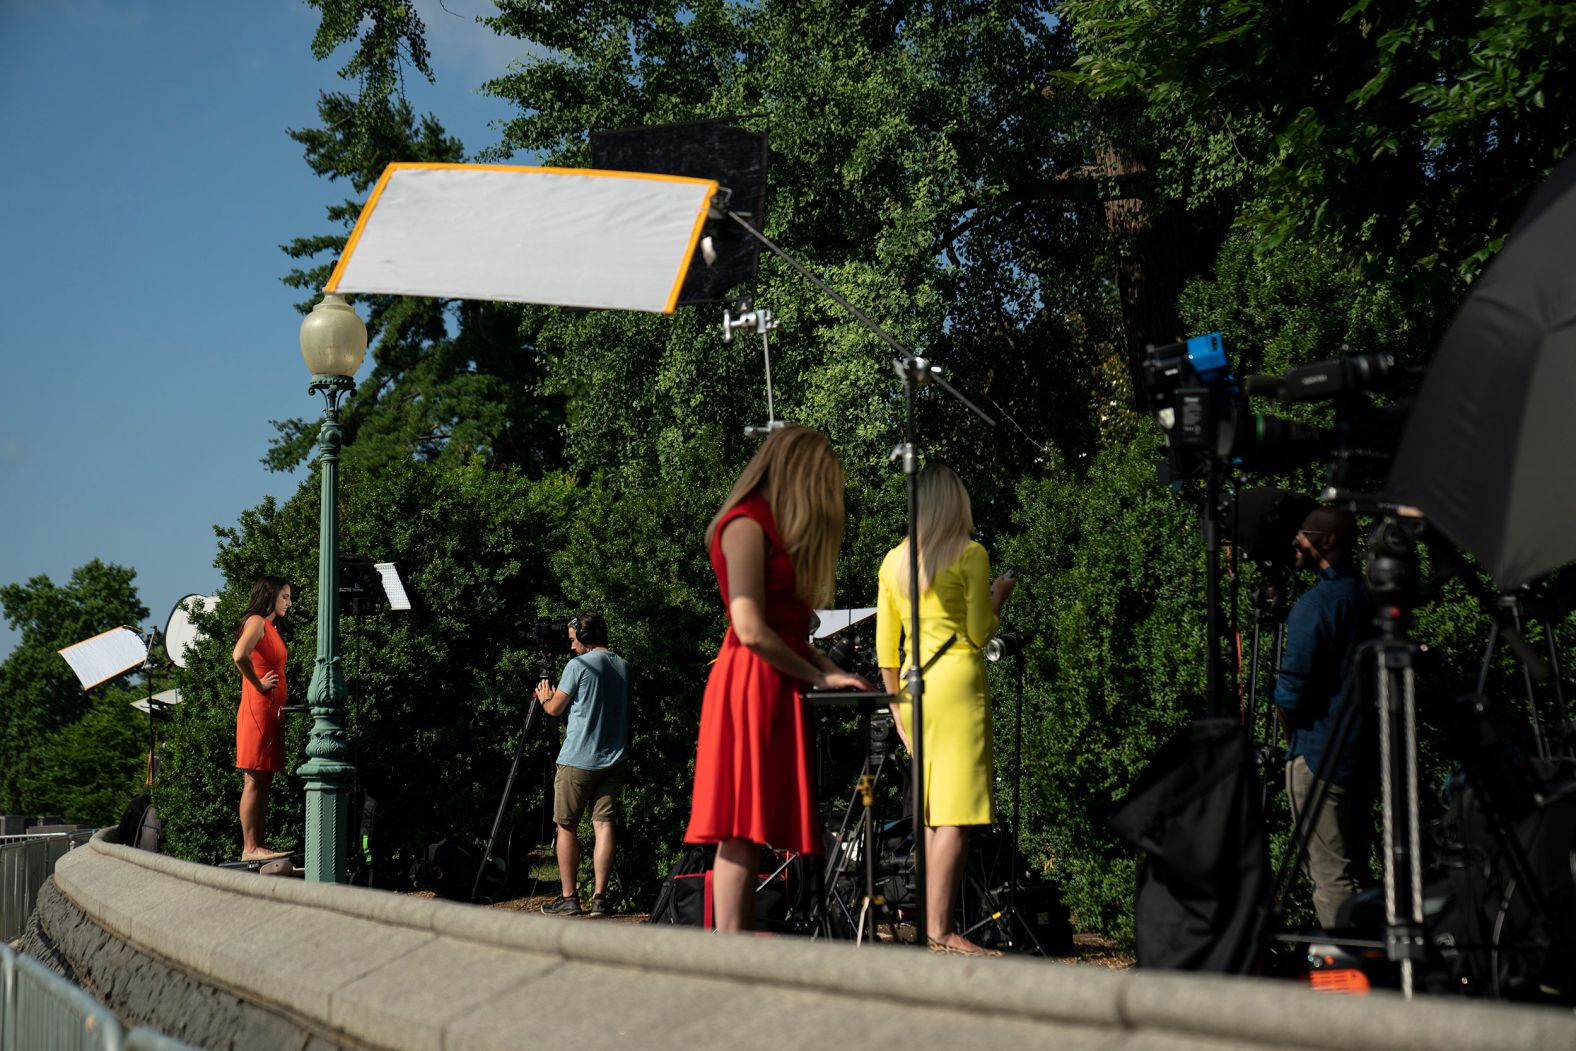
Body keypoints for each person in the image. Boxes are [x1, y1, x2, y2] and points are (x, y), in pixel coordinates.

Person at [685, 425, 873, 932]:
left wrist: (834, 672)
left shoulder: (771, 527)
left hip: (773, 684)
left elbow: (789, 631)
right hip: (748, 685)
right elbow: (749, 628)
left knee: (752, 828)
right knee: (740, 828)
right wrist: (821, 675)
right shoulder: (745, 524)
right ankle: (732, 952)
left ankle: (738, 950)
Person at [875, 464, 1015, 955]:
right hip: (957, 686)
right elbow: (979, 633)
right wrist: (998, 596)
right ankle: (941, 930)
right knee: (955, 815)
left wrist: (897, 714)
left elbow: (886, 652)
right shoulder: (971, 554)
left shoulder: (892, 562)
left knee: (935, 814)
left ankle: (934, 927)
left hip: (914, 693)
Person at [1275, 506, 1373, 930]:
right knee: (1357, 867)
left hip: (1318, 754)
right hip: (1362, 753)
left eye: (1304, 532)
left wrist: (1291, 741)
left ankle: (1349, 969)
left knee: (1331, 876)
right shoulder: (1366, 596)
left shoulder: (1317, 604)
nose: (1297, 540)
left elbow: (1290, 690)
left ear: (1327, 541)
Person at [534, 611, 630, 918]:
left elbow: (555, 708)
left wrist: (544, 697)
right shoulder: (623, 666)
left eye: (574, 641)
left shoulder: (578, 666)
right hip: (613, 759)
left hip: (578, 760)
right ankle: (600, 899)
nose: (572, 647)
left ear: (586, 639)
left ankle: (569, 898)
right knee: (603, 826)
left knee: (566, 826)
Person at [232, 575, 294, 863]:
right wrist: (258, 685)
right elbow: (239, 655)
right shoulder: (256, 621)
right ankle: (250, 847)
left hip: (271, 712)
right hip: (258, 710)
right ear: (270, 595)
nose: (289, 603)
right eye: (285, 596)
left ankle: (257, 844)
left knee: (263, 779)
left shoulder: (269, 625)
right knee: (254, 778)